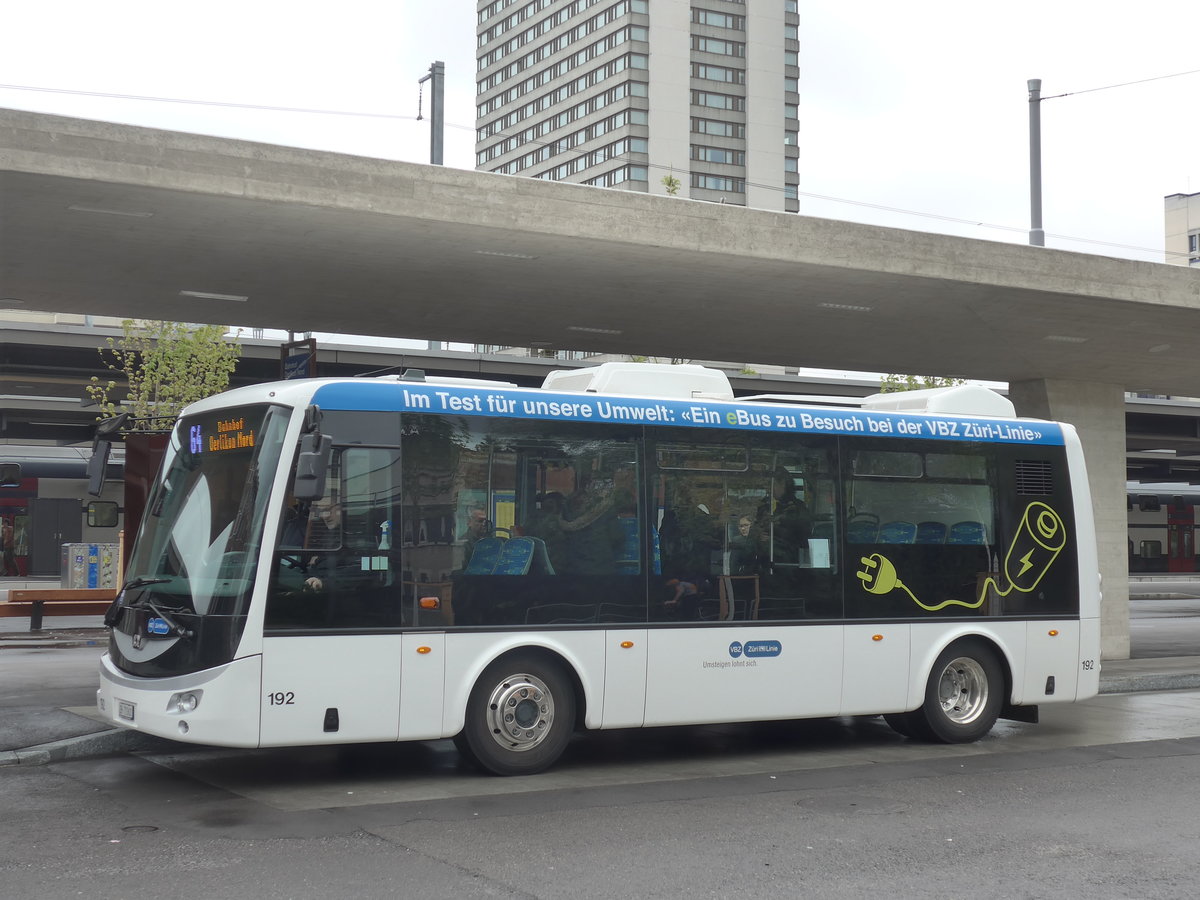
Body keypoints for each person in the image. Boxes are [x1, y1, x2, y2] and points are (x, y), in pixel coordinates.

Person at [757, 467, 812, 567]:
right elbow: (756, 527)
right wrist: (758, 534)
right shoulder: (764, 506)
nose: (768, 489)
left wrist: (775, 527)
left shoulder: (797, 508)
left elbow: (803, 537)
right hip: (764, 562)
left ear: (783, 483)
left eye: (771, 484)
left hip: (788, 564)